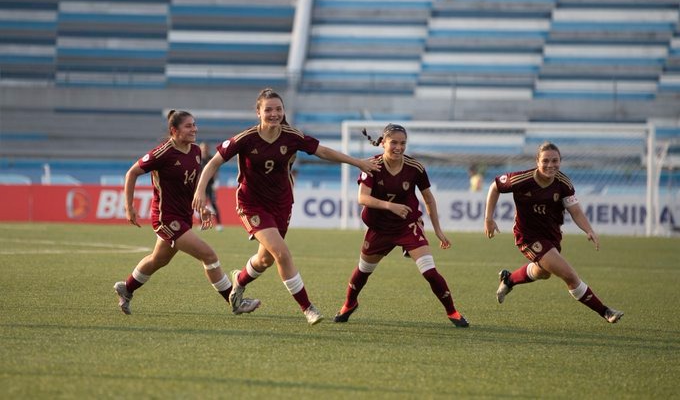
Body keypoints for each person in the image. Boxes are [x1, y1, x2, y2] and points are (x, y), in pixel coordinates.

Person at [193, 88, 380, 325]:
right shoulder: (245, 138)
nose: (274, 114)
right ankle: (307, 308)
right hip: (252, 204)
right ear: (258, 112)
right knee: (281, 252)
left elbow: (322, 151)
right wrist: (200, 191)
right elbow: (214, 162)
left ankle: (239, 282)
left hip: (281, 204)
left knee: (265, 260)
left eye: (278, 109)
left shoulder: (292, 136)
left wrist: (357, 162)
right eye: (268, 109)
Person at [113, 110, 261, 316]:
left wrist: (202, 208)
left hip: (184, 216)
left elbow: (191, 185)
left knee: (159, 259)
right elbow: (132, 173)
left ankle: (126, 288)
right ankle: (235, 301)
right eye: (188, 126)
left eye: (194, 125)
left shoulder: (195, 151)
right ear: (174, 130)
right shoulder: (162, 153)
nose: (194, 129)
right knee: (208, 255)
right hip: (166, 218)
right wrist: (129, 207)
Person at [333, 124, 469, 327]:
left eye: (403, 143)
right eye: (394, 142)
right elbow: (362, 198)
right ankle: (350, 303)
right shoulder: (372, 165)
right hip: (379, 229)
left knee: (430, 271)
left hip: (408, 225)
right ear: (383, 143)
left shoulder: (415, 168)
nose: (398, 147)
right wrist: (390, 206)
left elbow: (429, 199)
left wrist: (438, 231)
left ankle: (453, 312)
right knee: (363, 271)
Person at [483, 141, 624, 323]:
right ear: (537, 161)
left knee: (543, 273)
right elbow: (495, 187)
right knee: (570, 276)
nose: (550, 165)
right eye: (546, 161)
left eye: (555, 161)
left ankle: (509, 280)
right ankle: (605, 311)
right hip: (528, 236)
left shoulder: (563, 183)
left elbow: (575, 210)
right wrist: (488, 218)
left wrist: (588, 230)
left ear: (560, 161)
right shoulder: (521, 180)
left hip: (552, 236)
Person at [199, 141, 223, 231]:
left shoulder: (211, 158)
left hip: (210, 185)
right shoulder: (198, 159)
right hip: (201, 186)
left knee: (213, 204)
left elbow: (215, 171)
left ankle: (219, 224)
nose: (204, 149)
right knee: (201, 205)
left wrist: (216, 182)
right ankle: (202, 224)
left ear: (207, 149)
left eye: (205, 148)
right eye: (202, 148)